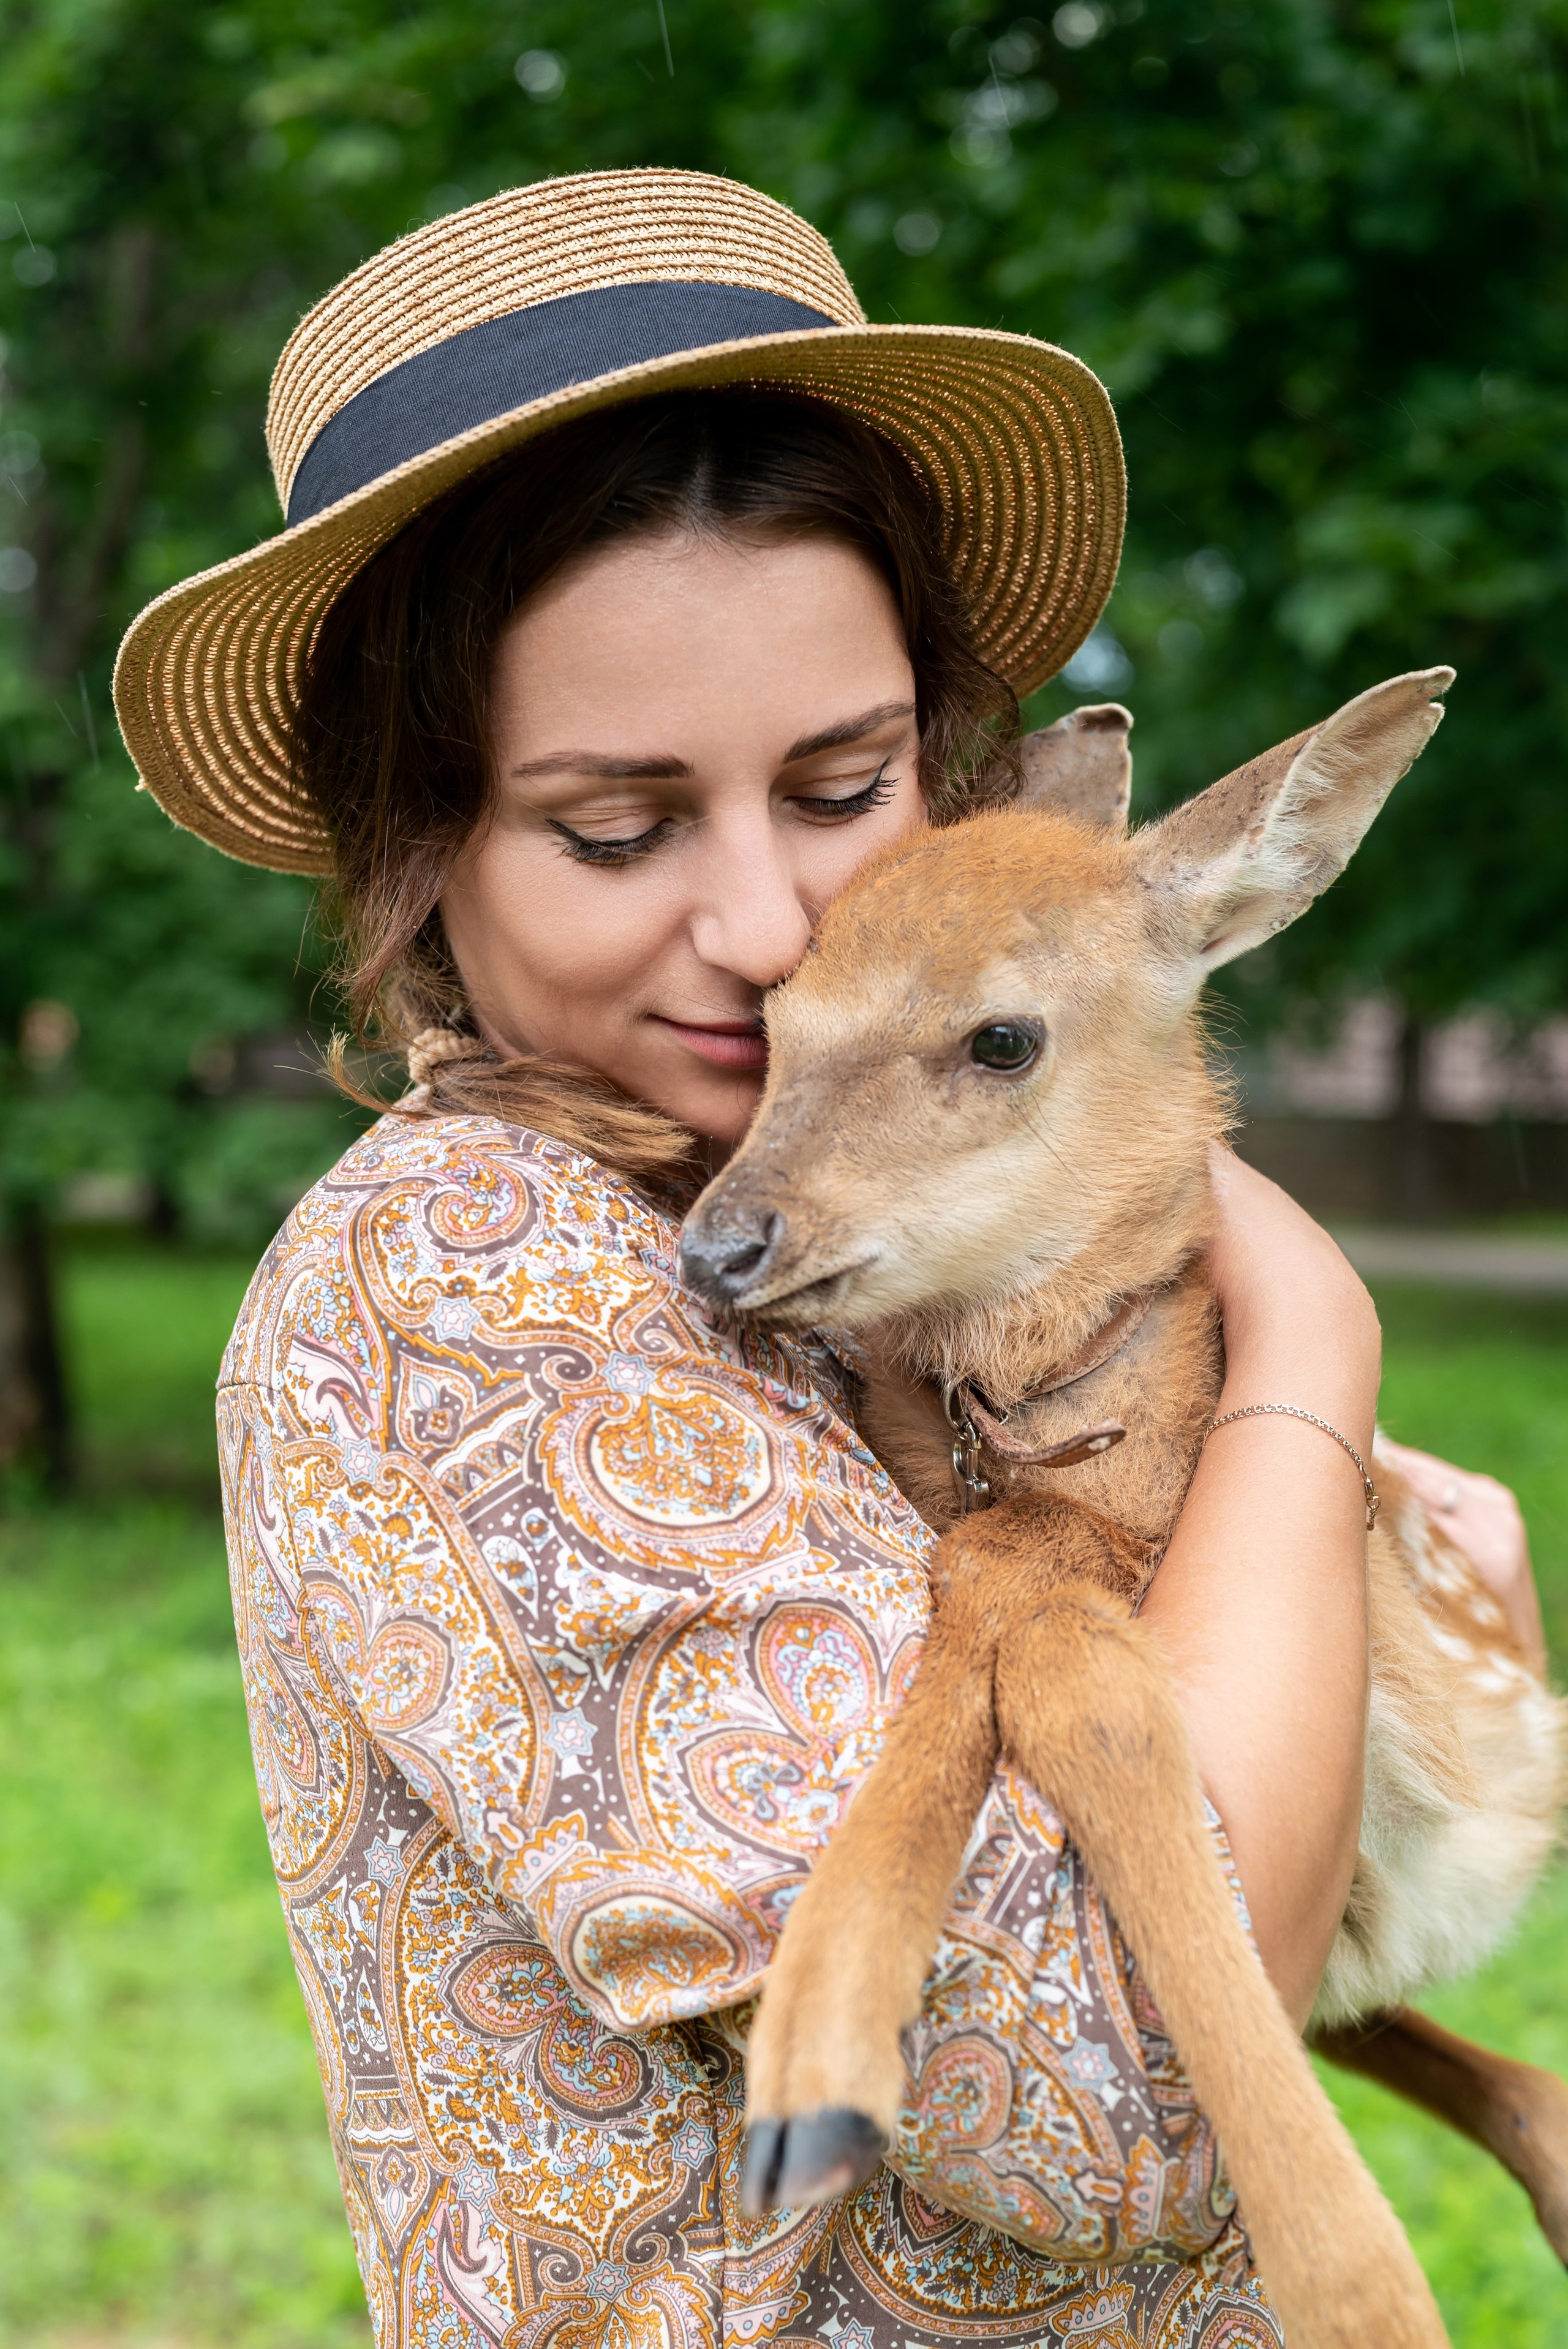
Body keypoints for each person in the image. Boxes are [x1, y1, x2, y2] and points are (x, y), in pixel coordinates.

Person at [113, 170, 1544, 2349]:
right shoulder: (468, 1280)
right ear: (423, 838)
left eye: (848, 780)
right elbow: (1112, 2099)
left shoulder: (830, 1225)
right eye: (617, 828)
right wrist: (1311, 1369)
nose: (773, 928)